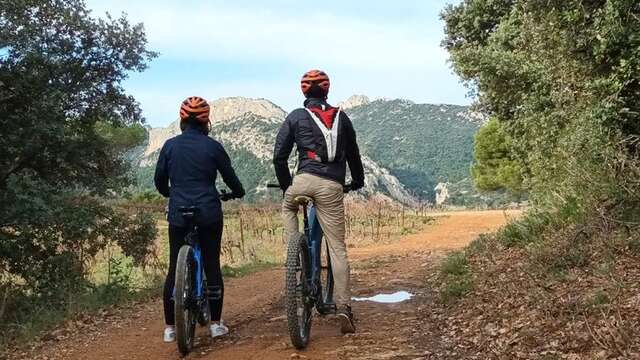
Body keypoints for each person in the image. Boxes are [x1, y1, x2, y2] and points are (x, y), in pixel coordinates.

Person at [273, 69, 365, 334]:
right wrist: (356, 181)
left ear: (304, 92)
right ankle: (344, 308)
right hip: (332, 186)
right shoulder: (342, 118)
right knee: (337, 248)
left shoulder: (296, 116)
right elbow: (354, 156)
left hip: (302, 180)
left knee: (289, 206)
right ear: (327, 91)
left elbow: (279, 157)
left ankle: (294, 255)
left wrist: (286, 187)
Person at [154, 96, 245, 342]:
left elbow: (159, 181)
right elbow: (231, 178)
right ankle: (216, 324)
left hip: (178, 210)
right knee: (212, 264)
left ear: (182, 121)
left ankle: (170, 329)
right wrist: (237, 193)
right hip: (208, 210)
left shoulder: (170, 146)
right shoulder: (213, 146)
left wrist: (171, 193)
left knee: (174, 266)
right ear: (206, 121)